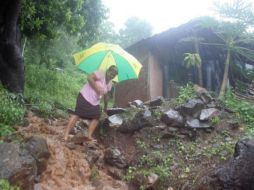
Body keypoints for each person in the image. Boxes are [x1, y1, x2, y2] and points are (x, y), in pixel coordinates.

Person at [64, 65, 118, 142]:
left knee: (96, 117)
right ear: (108, 70)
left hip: (95, 102)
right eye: (111, 73)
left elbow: (106, 96)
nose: (111, 75)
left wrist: (106, 108)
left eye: (114, 75)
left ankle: (89, 136)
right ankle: (65, 135)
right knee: (77, 114)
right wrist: (97, 88)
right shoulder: (100, 74)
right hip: (85, 96)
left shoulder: (110, 84)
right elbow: (89, 77)